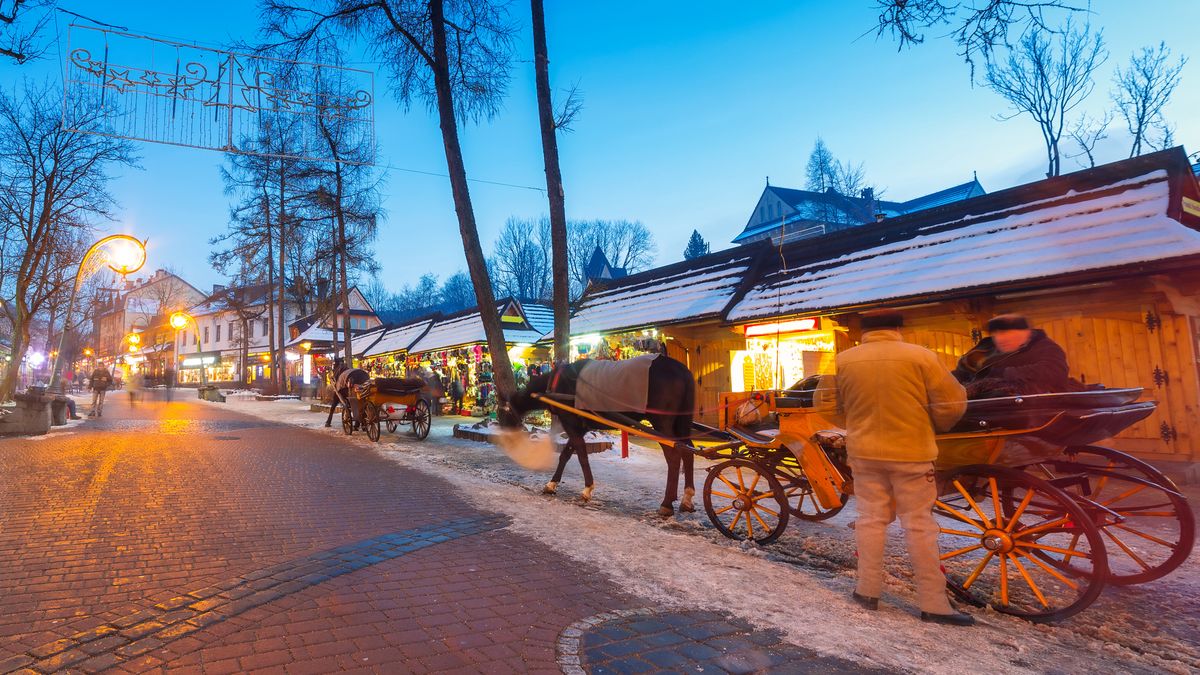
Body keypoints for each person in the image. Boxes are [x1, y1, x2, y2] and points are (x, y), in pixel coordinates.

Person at [814, 312, 972, 626]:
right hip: (912, 453)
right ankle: (934, 603)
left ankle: (867, 589)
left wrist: (855, 425)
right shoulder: (922, 357)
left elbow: (825, 404)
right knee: (919, 525)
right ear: (898, 329)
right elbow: (952, 404)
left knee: (870, 520)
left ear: (863, 332)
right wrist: (932, 426)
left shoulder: (842, 360)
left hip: (864, 454)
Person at [952, 314, 1078, 396]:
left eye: (1007, 332)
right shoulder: (984, 349)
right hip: (977, 406)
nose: (1000, 338)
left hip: (1028, 409)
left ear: (1025, 332)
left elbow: (1054, 371)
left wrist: (1004, 373)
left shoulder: (1044, 347)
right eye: (996, 333)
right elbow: (960, 373)